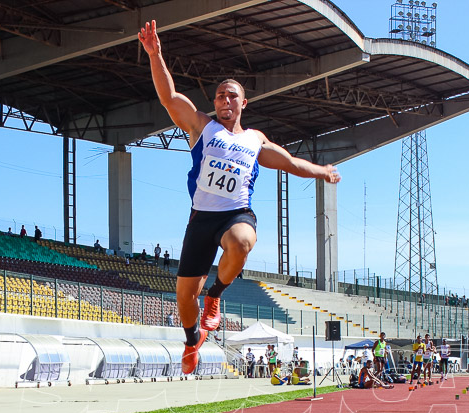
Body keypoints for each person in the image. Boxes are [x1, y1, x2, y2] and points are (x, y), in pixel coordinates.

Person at [139, 20, 340, 374]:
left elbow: (291, 163)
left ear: (243, 103)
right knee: (184, 296)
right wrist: (156, 55)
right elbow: (169, 98)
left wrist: (321, 171)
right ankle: (190, 341)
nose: (224, 100)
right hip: (201, 219)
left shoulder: (255, 140)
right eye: (219, 95)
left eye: (231, 95)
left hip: (236, 214)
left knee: (243, 242)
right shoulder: (203, 126)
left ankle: (216, 294)